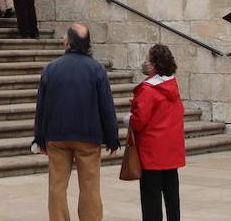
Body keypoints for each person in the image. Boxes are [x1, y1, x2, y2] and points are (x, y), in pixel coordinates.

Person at [34, 23, 120, 221]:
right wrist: (112, 137)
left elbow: (42, 106)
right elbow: (106, 106)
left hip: (57, 136)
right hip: (88, 137)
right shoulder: (96, 69)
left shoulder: (51, 69)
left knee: (57, 186)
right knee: (90, 186)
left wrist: (39, 137)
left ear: (68, 42)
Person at [129, 44, 185, 221]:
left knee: (151, 199)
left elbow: (138, 121)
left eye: (148, 60)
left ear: (154, 64)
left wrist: (128, 119)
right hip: (171, 151)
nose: (145, 63)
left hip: (152, 152)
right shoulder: (172, 85)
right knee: (172, 196)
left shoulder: (148, 90)